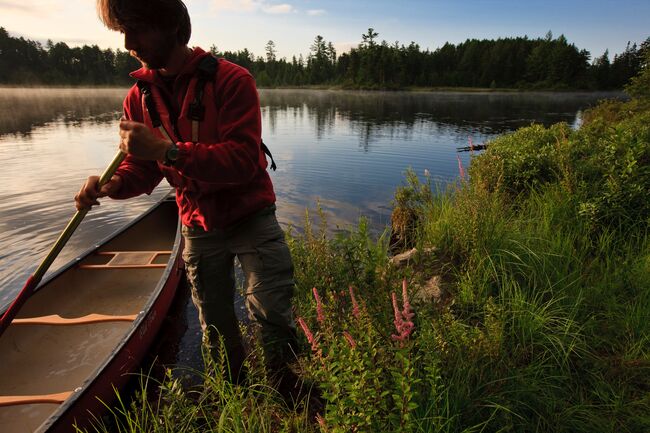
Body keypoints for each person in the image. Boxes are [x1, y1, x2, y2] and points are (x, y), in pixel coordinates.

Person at [76, 0, 299, 390]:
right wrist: (112, 185)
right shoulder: (137, 98)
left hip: (251, 216)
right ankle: (234, 394)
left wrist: (167, 150)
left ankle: (286, 393)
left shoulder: (232, 80)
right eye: (121, 31)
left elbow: (243, 161)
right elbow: (140, 170)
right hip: (196, 224)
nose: (128, 42)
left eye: (137, 28)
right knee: (214, 324)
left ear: (171, 25)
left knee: (270, 308)